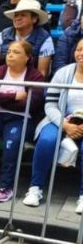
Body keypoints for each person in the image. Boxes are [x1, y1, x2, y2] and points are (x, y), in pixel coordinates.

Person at [0, 40, 46, 202]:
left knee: (12, 143)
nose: (10, 55)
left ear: (27, 57)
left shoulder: (35, 76)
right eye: (9, 51)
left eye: (16, 52)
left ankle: (6, 186)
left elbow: (32, 103)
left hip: (21, 117)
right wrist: (14, 96)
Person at [23, 36, 83, 212]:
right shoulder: (63, 72)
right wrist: (65, 125)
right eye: (79, 49)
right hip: (60, 119)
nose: (81, 53)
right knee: (47, 140)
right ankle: (35, 188)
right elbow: (50, 104)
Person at [0, 0, 54, 78]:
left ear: (34, 19)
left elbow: (42, 73)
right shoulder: (2, 35)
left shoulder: (45, 39)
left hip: (29, 85)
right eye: (16, 15)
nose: (17, 18)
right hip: (1, 82)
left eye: (23, 15)